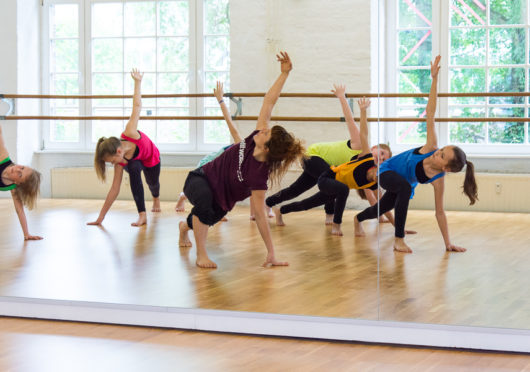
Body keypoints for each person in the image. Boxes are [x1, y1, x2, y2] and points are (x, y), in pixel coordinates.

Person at [178, 51, 305, 268]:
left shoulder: (258, 177)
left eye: (266, 133)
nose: (262, 130)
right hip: (200, 179)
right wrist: (284, 74)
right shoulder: (254, 137)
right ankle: (201, 254)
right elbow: (269, 102)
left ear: (267, 148)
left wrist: (271, 253)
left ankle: (184, 228)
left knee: (206, 217)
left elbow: (260, 215)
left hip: (221, 201)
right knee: (204, 206)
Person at [354, 56, 478, 253]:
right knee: (403, 187)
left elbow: (439, 212)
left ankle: (357, 219)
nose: (438, 152)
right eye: (442, 149)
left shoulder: (439, 179)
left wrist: (448, 244)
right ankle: (398, 240)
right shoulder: (430, 147)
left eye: (442, 155)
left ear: (445, 168)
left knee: (382, 207)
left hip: (401, 184)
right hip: (386, 171)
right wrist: (434, 79)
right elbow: (430, 113)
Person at [266, 83, 391, 225]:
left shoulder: (367, 168)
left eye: (383, 159)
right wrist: (342, 97)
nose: (380, 158)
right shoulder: (360, 144)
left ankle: (269, 203)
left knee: (296, 189)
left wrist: (380, 217)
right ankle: (330, 215)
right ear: (374, 147)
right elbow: (350, 120)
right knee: (334, 184)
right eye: (381, 153)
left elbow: (372, 196)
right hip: (314, 155)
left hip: (321, 166)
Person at [88, 68, 161, 227]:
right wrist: (100, 218)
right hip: (135, 161)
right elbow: (114, 189)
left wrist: (138, 82)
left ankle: (156, 198)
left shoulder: (130, 132)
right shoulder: (121, 161)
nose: (114, 164)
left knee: (153, 182)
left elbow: (137, 106)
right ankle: (142, 215)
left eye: (112, 161)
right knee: (134, 169)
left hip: (151, 157)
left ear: (119, 151)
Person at [0, 124, 42, 240]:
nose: (17, 169)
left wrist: (26, 234)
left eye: (19, 174)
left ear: (18, 183)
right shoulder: (3, 156)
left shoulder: (13, 187)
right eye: (22, 168)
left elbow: (20, 210)